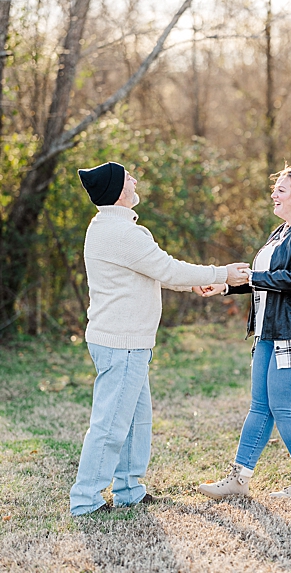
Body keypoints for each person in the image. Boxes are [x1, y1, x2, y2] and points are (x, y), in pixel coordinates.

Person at [70, 161, 250, 516]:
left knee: (137, 422)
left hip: (130, 342)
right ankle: (85, 500)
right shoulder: (118, 232)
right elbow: (165, 267)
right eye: (128, 177)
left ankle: (128, 489)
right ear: (119, 190)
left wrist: (193, 282)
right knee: (109, 424)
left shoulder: (114, 228)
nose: (135, 180)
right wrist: (222, 272)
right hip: (121, 343)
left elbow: (155, 271)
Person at [196, 165, 291, 500]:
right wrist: (223, 287)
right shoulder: (281, 232)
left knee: (285, 407)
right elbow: (265, 281)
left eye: (281, 189)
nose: (273, 194)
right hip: (270, 329)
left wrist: (249, 278)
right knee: (260, 406)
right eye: (274, 189)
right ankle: (238, 480)